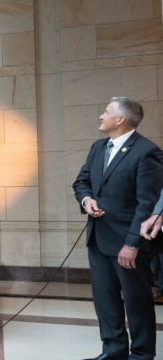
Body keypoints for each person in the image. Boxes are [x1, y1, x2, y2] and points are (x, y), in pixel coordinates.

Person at [73, 97, 163, 360]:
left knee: (137, 303)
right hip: (98, 239)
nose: (101, 116)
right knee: (106, 302)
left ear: (121, 119)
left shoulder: (147, 151)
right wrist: (86, 199)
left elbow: (148, 204)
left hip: (128, 243)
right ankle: (113, 353)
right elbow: (82, 182)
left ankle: (142, 355)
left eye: (106, 112)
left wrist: (133, 244)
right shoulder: (97, 147)